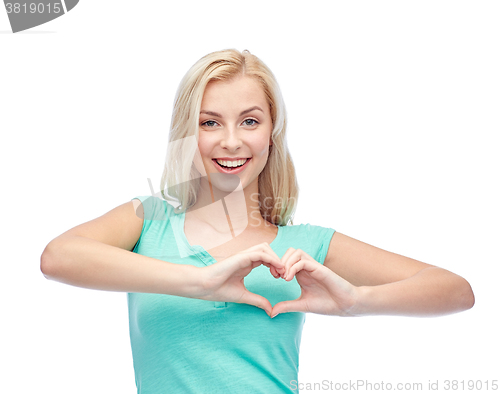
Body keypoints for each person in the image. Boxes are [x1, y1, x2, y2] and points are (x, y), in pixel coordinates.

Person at [40, 49, 475, 393]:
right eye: (210, 122)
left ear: (272, 132)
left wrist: (356, 300)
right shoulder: (146, 220)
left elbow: (456, 291)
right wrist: (200, 281)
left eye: (249, 120)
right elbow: (58, 258)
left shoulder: (306, 245)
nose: (231, 141)